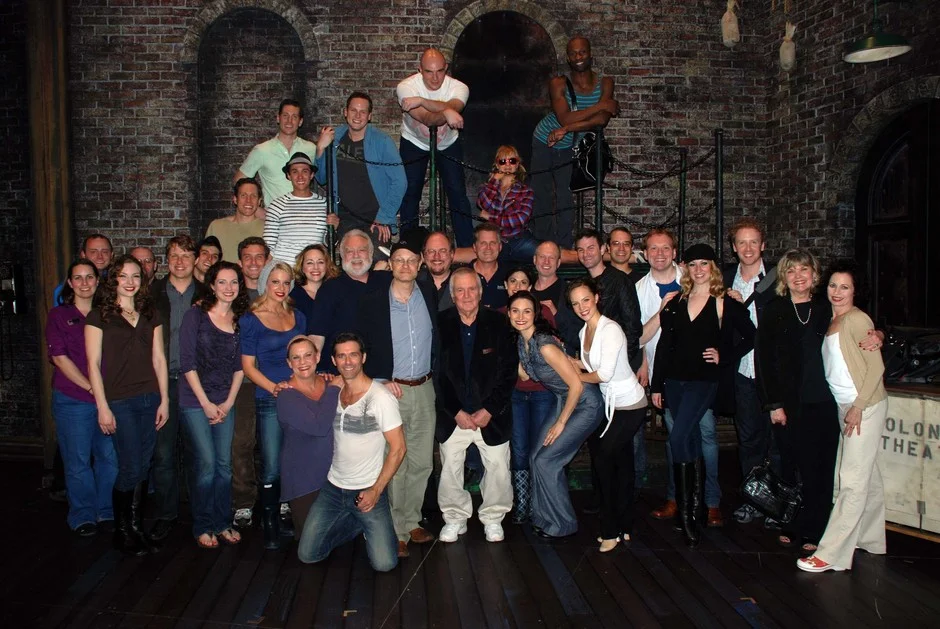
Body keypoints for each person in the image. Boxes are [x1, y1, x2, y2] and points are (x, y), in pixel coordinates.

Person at [757, 249, 883, 555]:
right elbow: (764, 360)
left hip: (825, 401)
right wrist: (773, 404)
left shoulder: (828, 307)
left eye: (804, 270)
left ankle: (816, 528)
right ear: (783, 277)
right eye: (791, 271)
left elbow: (863, 323)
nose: (798, 276)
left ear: (815, 275)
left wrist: (879, 333)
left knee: (821, 468)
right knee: (791, 464)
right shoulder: (774, 310)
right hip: (787, 403)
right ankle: (791, 521)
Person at [651, 244, 755, 547]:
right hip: (674, 382)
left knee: (679, 437)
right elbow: (664, 346)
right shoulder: (676, 301)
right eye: (693, 264)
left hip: (704, 382)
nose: (698, 270)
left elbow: (751, 336)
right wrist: (656, 386)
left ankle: (689, 512)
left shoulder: (724, 302)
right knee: (690, 440)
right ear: (686, 268)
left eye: (704, 264)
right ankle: (691, 508)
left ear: (713, 267)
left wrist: (724, 356)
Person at [798, 261, 888, 573]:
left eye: (845, 287)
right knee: (867, 476)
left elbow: (876, 368)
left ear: (855, 291)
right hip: (845, 404)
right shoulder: (830, 316)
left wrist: (858, 407)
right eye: (833, 285)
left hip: (863, 406)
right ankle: (871, 539)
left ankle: (831, 554)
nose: (837, 292)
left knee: (851, 480)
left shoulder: (857, 319)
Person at [356, 237, 439, 557]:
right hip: (392, 391)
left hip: (425, 387)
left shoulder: (428, 293)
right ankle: (395, 529)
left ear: (420, 264)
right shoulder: (373, 301)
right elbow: (363, 345)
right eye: (399, 260)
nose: (405, 265)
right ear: (390, 265)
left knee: (422, 461)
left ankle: (412, 520)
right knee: (396, 460)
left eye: (411, 260)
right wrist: (380, 380)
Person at [297, 333, 405, 572]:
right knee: (308, 555)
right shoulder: (331, 392)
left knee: (385, 564)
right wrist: (282, 385)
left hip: (368, 489)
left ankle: (366, 521)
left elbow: (399, 449)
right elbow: (302, 382)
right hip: (333, 488)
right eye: (341, 356)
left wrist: (376, 490)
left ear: (363, 358)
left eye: (353, 355)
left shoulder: (380, 397)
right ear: (333, 361)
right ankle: (358, 523)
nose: (348, 362)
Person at [85, 255, 169, 555]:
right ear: (113, 280)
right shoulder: (99, 316)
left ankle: (135, 528)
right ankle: (121, 531)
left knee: (143, 465)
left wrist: (165, 399)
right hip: (119, 399)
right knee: (131, 466)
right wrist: (102, 406)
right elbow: (93, 364)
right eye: (124, 276)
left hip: (149, 396)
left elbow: (159, 359)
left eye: (136, 276)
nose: (131, 282)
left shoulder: (150, 312)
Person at [638, 229, 721, 526]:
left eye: (665, 248)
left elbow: (725, 323)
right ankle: (677, 498)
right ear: (645, 254)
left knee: (706, 434)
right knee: (676, 437)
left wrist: (722, 353)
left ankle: (711, 501)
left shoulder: (695, 277)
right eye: (653, 248)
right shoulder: (640, 289)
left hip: (699, 377)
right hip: (667, 374)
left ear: (675, 253)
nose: (659, 254)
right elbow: (643, 338)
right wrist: (646, 366)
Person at [508, 290, 602, 538]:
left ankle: (563, 524)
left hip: (585, 403)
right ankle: (543, 517)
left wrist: (560, 423)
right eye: (515, 311)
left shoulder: (544, 345)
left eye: (527, 311)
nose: (520, 316)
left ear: (535, 314)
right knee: (535, 456)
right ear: (508, 314)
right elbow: (524, 376)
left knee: (546, 461)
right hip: (564, 399)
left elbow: (576, 385)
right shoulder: (523, 342)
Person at [434, 267, 517, 544]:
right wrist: (455, 411)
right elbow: (437, 373)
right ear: (452, 295)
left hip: (491, 415)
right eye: (460, 290)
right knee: (450, 468)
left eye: (472, 289)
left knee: (498, 469)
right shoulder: (440, 324)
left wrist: (489, 409)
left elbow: (508, 372)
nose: (467, 295)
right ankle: (454, 517)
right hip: (454, 415)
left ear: (481, 293)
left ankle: (493, 518)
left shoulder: (500, 323)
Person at [568, 279, 647, 551]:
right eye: (575, 303)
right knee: (622, 464)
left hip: (630, 405)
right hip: (611, 406)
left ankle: (610, 530)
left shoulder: (610, 329)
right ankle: (625, 525)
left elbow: (603, 374)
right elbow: (590, 364)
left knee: (603, 459)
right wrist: (571, 363)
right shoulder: (584, 331)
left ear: (596, 298)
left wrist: (576, 376)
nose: (582, 307)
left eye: (585, 300)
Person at [178, 261, 248, 548]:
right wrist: (206, 403)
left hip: (225, 400)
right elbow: (187, 363)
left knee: (224, 466)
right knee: (206, 464)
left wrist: (228, 403)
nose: (228, 288)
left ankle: (222, 523)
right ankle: (203, 525)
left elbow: (240, 367)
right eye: (222, 282)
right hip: (195, 400)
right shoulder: (195, 316)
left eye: (234, 282)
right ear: (211, 285)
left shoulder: (240, 320)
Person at [47, 259, 117, 537]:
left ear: (98, 281)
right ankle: (83, 514)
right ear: (69, 283)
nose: (84, 282)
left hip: (109, 399)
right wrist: (92, 389)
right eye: (78, 277)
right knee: (77, 461)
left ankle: (106, 510)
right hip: (73, 399)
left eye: (90, 277)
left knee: (109, 458)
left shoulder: (109, 315)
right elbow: (59, 358)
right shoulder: (59, 315)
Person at [239, 261, 307, 548]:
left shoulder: (297, 316)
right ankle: (268, 524)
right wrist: (273, 387)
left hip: (297, 397)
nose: (281, 288)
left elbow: (303, 357)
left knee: (292, 460)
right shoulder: (251, 319)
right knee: (270, 465)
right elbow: (247, 366)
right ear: (264, 283)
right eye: (275, 281)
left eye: (286, 282)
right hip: (269, 397)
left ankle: (284, 514)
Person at [530, 37, 619, 248]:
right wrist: (601, 105)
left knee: (565, 197)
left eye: (582, 52)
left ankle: (564, 246)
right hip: (545, 139)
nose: (578, 57)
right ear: (568, 58)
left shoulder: (605, 83)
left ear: (590, 53)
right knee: (542, 193)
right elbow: (564, 118)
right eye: (573, 53)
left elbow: (602, 121)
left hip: (569, 144)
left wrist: (568, 129)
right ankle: (544, 245)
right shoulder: (558, 83)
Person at [722, 218, 778, 525]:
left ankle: (776, 504)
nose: (747, 248)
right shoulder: (725, 279)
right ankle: (754, 499)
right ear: (733, 247)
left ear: (763, 245)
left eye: (753, 242)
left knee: (777, 441)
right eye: (741, 242)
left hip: (772, 374)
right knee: (748, 440)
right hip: (743, 372)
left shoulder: (778, 278)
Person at [149, 234, 204, 542]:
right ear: (166, 260)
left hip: (198, 385)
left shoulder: (209, 293)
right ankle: (166, 515)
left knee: (199, 453)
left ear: (196, 259)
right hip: (164, 382)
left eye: (186, 255)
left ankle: (200, 514)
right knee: (164, 454)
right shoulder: (151, 294)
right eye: (174, 255)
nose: (180, 261)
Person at [397, 48, 473, 247]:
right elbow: (428, 119)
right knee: (410, 191)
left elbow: (455, 107)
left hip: (448, 143)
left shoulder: (459, 87)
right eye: (429, 72)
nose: (435, 78)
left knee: (457, 192)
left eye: (439, 71)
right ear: (419, 70)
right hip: (414, 141)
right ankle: (408, 247)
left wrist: (422, 101)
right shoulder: (406, 87)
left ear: (446, 68)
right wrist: (446, 111)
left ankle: (466, 248)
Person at [498, 268, 555, 524]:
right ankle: (522, 502)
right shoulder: (500, 316)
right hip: (515, 394)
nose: (518, 285)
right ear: (505, 284)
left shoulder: (544, 312)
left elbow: (554, 352)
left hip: (543, 392)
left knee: (539, 448)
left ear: (531, 287)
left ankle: (539, 501)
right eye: (513, 280)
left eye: (523, 281)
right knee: (519, 448)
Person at [315, 91, 406, 249]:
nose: (357, 116)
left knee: (378, 257)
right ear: (345, 112)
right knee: (350, 257)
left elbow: (400, 182)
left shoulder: (382, 142)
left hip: (375, 218)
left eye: (363, 112)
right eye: (353, 110)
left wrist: (384, 217)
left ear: (369, 116)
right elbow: (321, 178)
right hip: (345, 218)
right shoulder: (334, 138)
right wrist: (320, 149)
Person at [276, 336, 341, 540]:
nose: (302, 362)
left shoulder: (329, 380)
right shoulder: (286, 395)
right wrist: (334, 390)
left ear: (317, 357)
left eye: (307, 355)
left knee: (338, 540)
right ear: (289, 363)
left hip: (336, 476)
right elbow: (319, 427)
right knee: (311, 545)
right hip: (304, 481)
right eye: (296, 358)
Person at [307, 229, 392, 374]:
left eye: (361, 250)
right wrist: (314, 371)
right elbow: (316, 335)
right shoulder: (330, 289)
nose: (356, 255)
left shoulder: (386, 281)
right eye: (350, 251)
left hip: (384, 374)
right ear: (342, 255)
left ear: (371, 253)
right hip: (343, 375)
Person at [231, 236, 271, 528]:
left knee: (274, 444)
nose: (254, 262)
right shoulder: (232, 294)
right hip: (243, 380)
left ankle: (278, 497)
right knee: (242, 442)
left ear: (268, 260)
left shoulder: (277, 291)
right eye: (248, 257)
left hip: (273, 379)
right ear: (239, 262)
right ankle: (244, 501)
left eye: (259, 257)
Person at [574, 229, 643, 374]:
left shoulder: (620, 281)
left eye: (590, 248)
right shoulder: (582, 284)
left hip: (616, 366)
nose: (586, 254)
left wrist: (620, 362)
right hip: (591, 363)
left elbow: (633, 328)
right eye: (581, 250)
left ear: (602, 249)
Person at [234, 98, 318, 208]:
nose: (289, 121)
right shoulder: (262, 150)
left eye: (294, 117)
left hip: (304, 214)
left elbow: (322, 177)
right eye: (285, 116)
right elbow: (238, 181)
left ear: (300, 121)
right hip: (275, 216)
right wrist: (257, 209)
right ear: (278, 118)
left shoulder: (311, 148)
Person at [263, 152, 338, 264]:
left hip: (313, 268)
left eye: (305, 171)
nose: (300, 176)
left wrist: (334, 229)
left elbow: (328, 244)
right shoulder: (277, 205)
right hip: (285, 268)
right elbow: (268, 247)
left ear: (312, 175)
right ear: (289, 176)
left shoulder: (325, 205)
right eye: (295, 172)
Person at [477, 145, 539, 262]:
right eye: (502, 161)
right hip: (495, 242)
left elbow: (520, 219)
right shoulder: (487, 188)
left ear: (517, 164)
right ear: (497, 164)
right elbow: (483, 204)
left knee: (548, 252)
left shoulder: (526, 191)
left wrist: (490, 217)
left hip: (520, 239)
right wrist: (494, 181)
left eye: (512, 161)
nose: (507, 165)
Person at [531, 240, 580, 354]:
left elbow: (578, 338)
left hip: (561, 360)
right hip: (529, 359)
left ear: (558, 263)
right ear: (535, 259)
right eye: (542, 257)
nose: (546, 261)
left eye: (551, 257)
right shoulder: (525, 290)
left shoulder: (569, 293)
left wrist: (556, 316)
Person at [206, 177, 265, 264]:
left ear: (259, 201)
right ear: (235, 199)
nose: (248, 201)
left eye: (253, 196)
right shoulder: (216, 226)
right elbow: (206, 260)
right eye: (243, 195)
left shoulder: (267, 228)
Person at [53, 233, 114, 306]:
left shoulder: (118, 283)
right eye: (93, 252)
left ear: (111, 255)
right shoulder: (65, 290)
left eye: (104, 252)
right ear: (83, 255)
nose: (100, 257)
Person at [288, 244, 340, 324]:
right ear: (302, 267)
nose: (316, 267)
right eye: (310, 263)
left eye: (320, 262)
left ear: (327, 266)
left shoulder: (335, 292)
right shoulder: (293, 298)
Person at [470, 223, 510, 310]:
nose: (488, 248)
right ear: (474, 247)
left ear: (500, 247)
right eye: (483, 243)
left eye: (493, 243)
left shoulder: (510, 275)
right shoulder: (463, 275)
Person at [419, 230, 458, 311]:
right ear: (423, 256)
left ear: (451, 254)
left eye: (442, 251)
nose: (437, 256)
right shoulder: (413, 283)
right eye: (431, 251)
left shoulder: (464, 283)